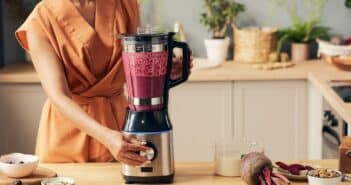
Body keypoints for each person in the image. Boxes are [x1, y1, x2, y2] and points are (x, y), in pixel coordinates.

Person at [15, 0, 192, 165]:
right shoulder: (41, 21)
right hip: (68, 138)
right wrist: (106, 137)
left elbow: (131, 66)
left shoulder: (125, 5)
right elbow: (58, 95)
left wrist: (164, 70)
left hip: (121, 130)